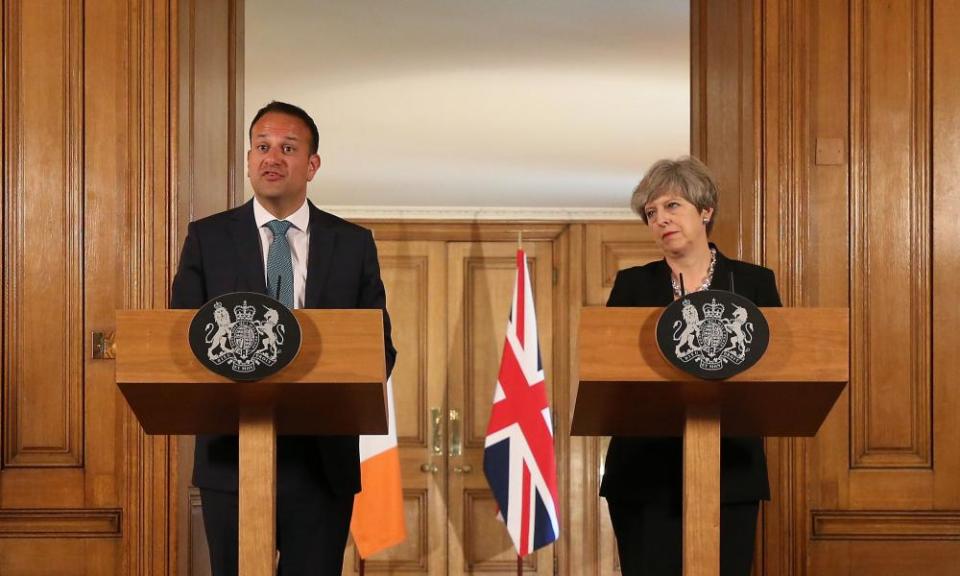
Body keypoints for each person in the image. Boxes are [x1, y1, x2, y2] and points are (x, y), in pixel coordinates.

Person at [170, 101, 396, 575]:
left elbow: (379, 349)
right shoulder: (207, 239)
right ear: (249, 160)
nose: (272, 158)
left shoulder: (352, 244)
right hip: (229, 460)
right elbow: (180, 341)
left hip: (321, 463)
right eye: (262, 147)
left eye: (288, 148)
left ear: (311, 165)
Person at [601, 156, 781, 575]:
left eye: (672, 206)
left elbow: (775, 373)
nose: (660, 219)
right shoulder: (632, 285)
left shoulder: (754, 283)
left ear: (705, 211)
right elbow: (608, 372)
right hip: (643, 472)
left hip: (730, 470)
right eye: (651, 213)